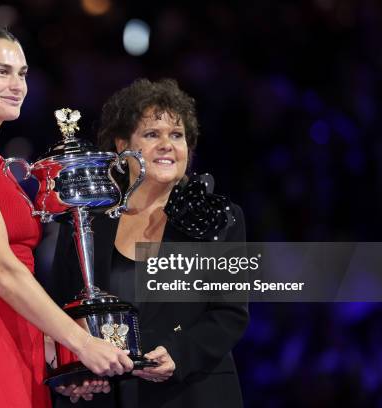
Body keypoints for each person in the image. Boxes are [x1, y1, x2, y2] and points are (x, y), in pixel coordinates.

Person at [0, 23, 133, 408]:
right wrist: (80, 341)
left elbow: (18, 270)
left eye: (22, 73)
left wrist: (58, 356)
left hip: (17, 339)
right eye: (2, 71)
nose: (17, 84)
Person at [50, 78, 249, 407]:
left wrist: (178, 355)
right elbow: (60, 310)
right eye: (152, 134)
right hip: (106, 395)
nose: (167, 145)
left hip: (191, 393)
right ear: (121, 145)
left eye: (177, 135)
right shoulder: (84, 220)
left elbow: (230, 314)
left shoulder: (220, 217)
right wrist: (74, 372)